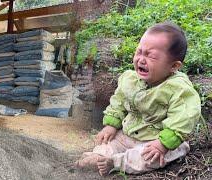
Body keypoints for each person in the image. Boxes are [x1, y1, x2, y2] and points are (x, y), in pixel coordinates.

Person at [75, 22, 201, 175]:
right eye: (139, 52)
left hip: (156, 141)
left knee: (150, 157)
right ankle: (99, 156)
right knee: (109, 142)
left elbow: (184, 117)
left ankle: (115, 162)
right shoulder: (130, 80)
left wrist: (163, 144)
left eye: (151, 56)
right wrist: (112, 125)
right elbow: (119, 101)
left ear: (174, 66)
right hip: (128, 134)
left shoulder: (179, 89)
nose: (141, 59)